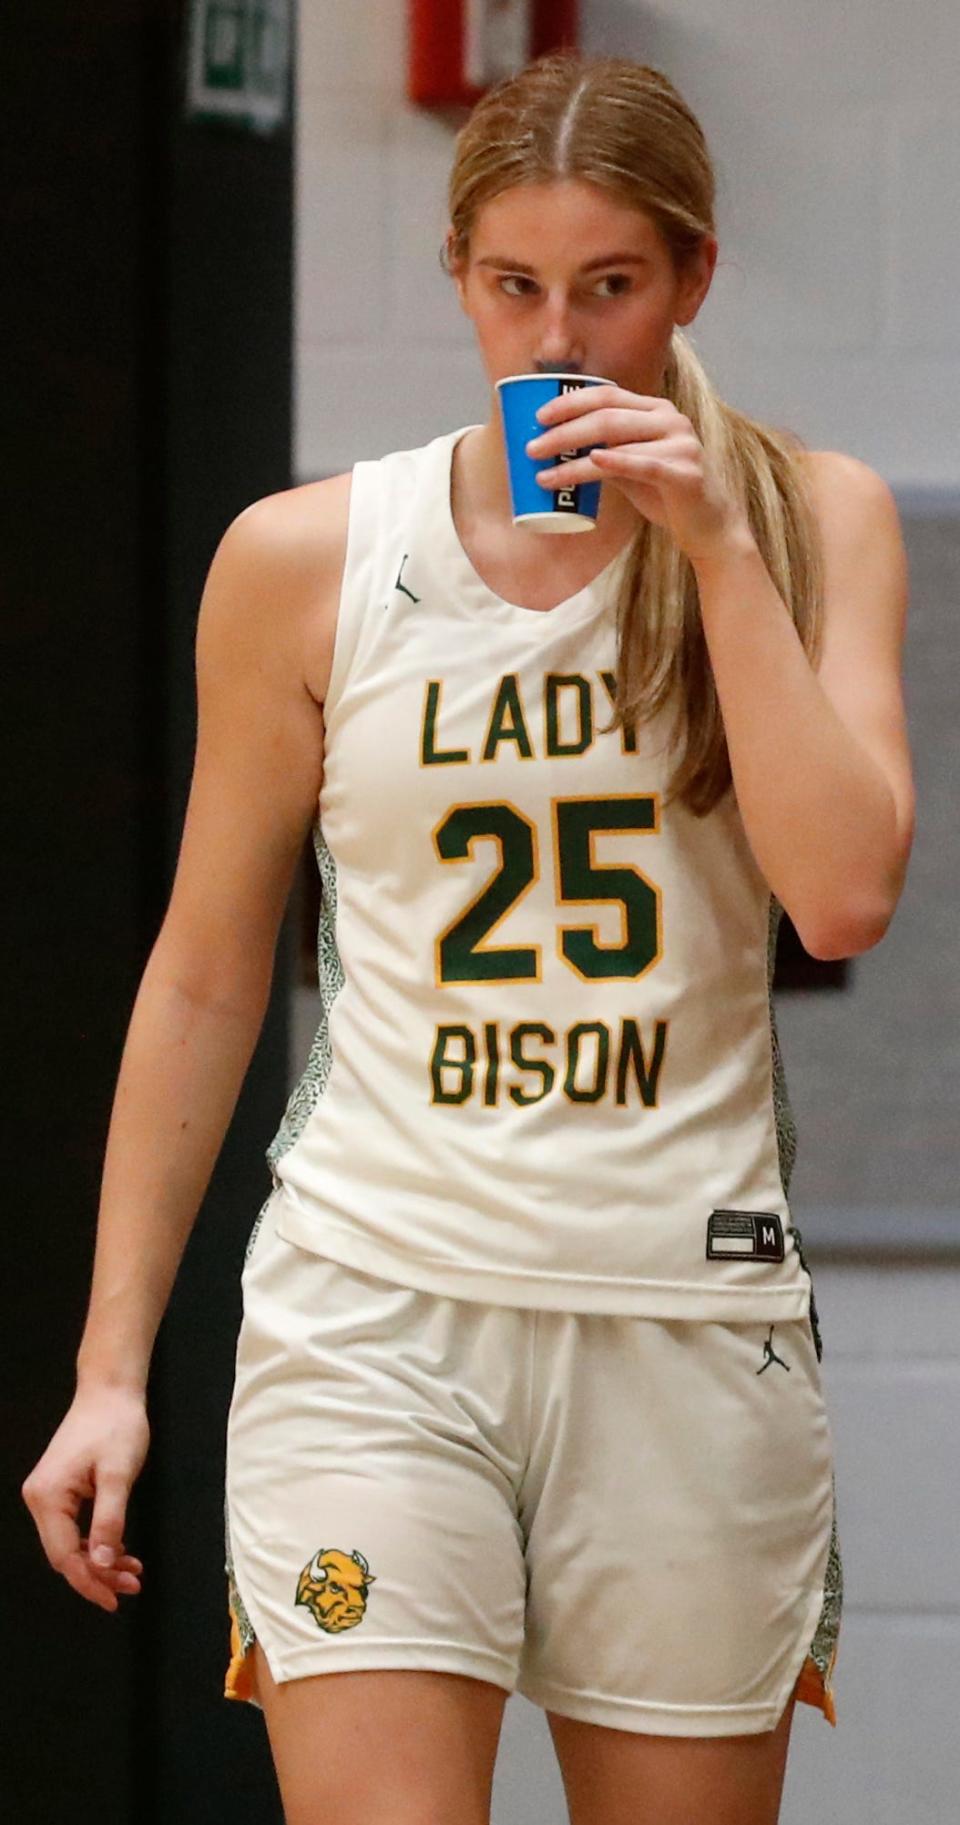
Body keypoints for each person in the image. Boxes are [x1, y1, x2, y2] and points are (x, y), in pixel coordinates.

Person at [22, 48, 915, 1825]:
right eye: (514, 287)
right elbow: (204, 971)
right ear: (455, 274)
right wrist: (107, 1365)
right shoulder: (301, 558)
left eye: (611, 288)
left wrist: (716, 544)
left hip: (677, 1312)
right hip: (378, 1310)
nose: (558, 341)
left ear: (694, 280)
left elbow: (843, 894)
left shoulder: (815, 519)